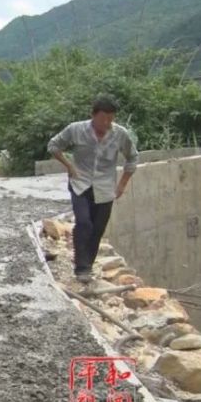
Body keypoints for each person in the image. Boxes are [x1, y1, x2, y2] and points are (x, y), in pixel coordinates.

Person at [48, 95, 138, 283]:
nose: (106, 123)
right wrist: (69, 166)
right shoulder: (76, 129)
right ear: (93, 115)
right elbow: (53, 145)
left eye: (110, 119)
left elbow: (132, 158)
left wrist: (122, 184)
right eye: (103, 118)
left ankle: (87, 265)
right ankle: (81, 268)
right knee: (84, 223)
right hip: (80, 184)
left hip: (105, 188)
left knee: (97, 229)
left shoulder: (120, 134)